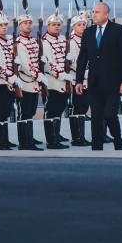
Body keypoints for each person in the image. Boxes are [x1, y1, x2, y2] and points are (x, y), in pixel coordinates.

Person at [74, 2, 122, 150]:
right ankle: (96, 146)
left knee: (109, 113)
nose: (94, 15)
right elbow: (83, 58)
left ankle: (117, 140)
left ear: (106, 14)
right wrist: (79, 81)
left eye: (97, 12)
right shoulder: (88, 32)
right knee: (96, 115)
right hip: (94, 81)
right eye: (93, 12)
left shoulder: (119, 30)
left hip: (114, 82)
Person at [14, 8, 45, 150]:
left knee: (31, 112)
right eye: (25, 23)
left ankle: (29, 138)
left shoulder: (34, 41)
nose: (28, 25)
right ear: (20, 26)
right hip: (26, 82)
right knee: (25, 111)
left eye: (29, 23)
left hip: (34, 83)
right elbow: (25, 65)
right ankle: (24, 142)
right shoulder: (19, 43)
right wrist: (39, 75)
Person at [41, 9, 71, 149]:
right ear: (48, 26)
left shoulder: (62, 40)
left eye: (58, 25)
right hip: (53, 81)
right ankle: (51, 140)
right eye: (54, 25)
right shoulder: (45, 42)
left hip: (63, 82)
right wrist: (62, 75)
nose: (57, 27)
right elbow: (47, 63)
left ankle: (56, 134)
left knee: (59, 108)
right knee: (51, 109)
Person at [0, 7, 18, 150]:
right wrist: (11, 78)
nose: (4, 27)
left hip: (10, 81)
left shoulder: (9, 40)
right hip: (0, 82)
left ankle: (5, 139)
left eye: (5, 24)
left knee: (6, 111)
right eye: (1, 25)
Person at [67, 14, 91, 146]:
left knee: (84, 108)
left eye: (84, 24)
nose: (82, 27)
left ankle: (81, 135)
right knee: (77, 107)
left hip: (88, 80)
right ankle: (76, 137)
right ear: (73, 27)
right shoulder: (71, 42)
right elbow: (76, 63)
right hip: (78, 79)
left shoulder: (87, 40)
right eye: (79, 25)